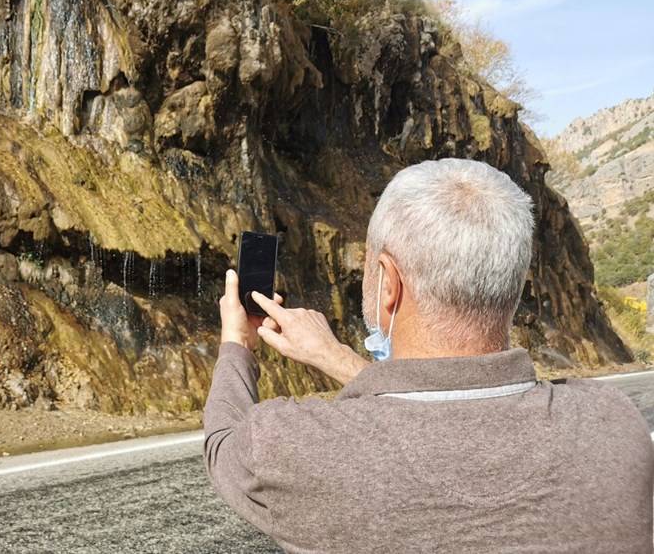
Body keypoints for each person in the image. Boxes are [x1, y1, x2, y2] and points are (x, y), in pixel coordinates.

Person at [203, 157, 654, 553]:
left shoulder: (294, 444)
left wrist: (238, 343)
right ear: (514, 283)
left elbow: (223, 438)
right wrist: (338, 359)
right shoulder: (614, 425)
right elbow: (447, 409)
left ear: (388, 282)